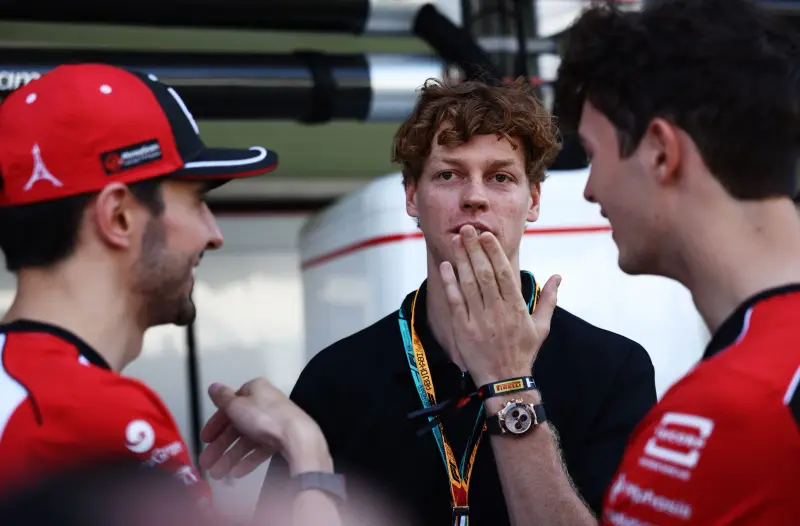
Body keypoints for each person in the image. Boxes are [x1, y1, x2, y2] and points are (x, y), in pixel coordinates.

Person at [408, 0, 799, 524]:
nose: (590, 189)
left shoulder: (728, 411)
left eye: (593, 154)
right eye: (448, 175)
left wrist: (507, 387)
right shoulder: (739, 391)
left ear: (660, 153)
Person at [257, 77, 657, 526]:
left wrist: (509, 386)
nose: (475, 197)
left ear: (533, 200)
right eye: (449, 175)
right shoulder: (334, 379)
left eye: (500, 177)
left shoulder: (614, 369)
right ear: (412, 196)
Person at [0, 64, 345, 526]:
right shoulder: (89, 415)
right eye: (197, 199)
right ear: (118, 216)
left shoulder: (34, 396)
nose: (214, 234)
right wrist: (309, 454)